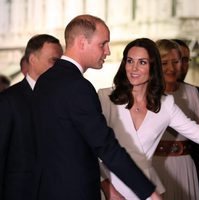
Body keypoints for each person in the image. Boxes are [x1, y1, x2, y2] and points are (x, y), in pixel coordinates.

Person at [31, 15, 161, 200]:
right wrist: (149, 193)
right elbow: (106, 146)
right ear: (82, 42)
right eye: (103, 44)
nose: (107, 51)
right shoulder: (78, 87)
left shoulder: (44, 80)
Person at [97, 38, 199, 200]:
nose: (134, 68)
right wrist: (107, 187)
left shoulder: (166, 104)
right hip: (110, 189)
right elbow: (89, 147)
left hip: (148, 193)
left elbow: (197, 133)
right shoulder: (105, 97)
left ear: (153, 67)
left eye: (142, 62)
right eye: (130, 61)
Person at [0, 34, 63, 200]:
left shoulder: (64, 100)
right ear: (33, 60)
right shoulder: (8, 100)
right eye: (53, 61)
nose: (59, 67)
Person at [152, 39, 199, 200]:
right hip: (156, 166)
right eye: (164, 63)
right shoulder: (146, 94)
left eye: (176, 62)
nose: (171, 68)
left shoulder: (193, 92)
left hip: (185, 166)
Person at [173, 38, 199, 193]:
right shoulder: (147, 94)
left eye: (185, 60)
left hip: (190, 168)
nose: (180, 66)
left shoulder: (196, 93)